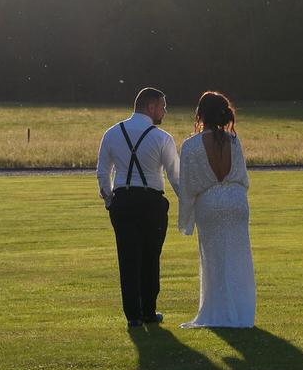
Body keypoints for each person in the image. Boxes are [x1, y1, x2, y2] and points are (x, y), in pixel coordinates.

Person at [96, 87, 181, 328]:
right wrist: (188, 202)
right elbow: (175, 176)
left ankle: (132, 314)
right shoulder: (162, 137)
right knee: (151, 256)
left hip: (122, 199)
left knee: (127, 257)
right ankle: (148, 311)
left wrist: (110, 200)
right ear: (151, 107)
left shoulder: (112, 133)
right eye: (163, 106)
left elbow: (103, 172)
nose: (164, 111)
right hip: (151, 200)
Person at [176, 91, 256, 328]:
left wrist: (187, 215)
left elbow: (188, 184)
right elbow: (243, 177)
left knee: (214, 260)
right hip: (236, 200)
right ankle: (242, 312)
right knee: (238, 258)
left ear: (201, 114)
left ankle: (218, 312)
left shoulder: (191, 145)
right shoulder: (234, 141)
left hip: (210, 204)